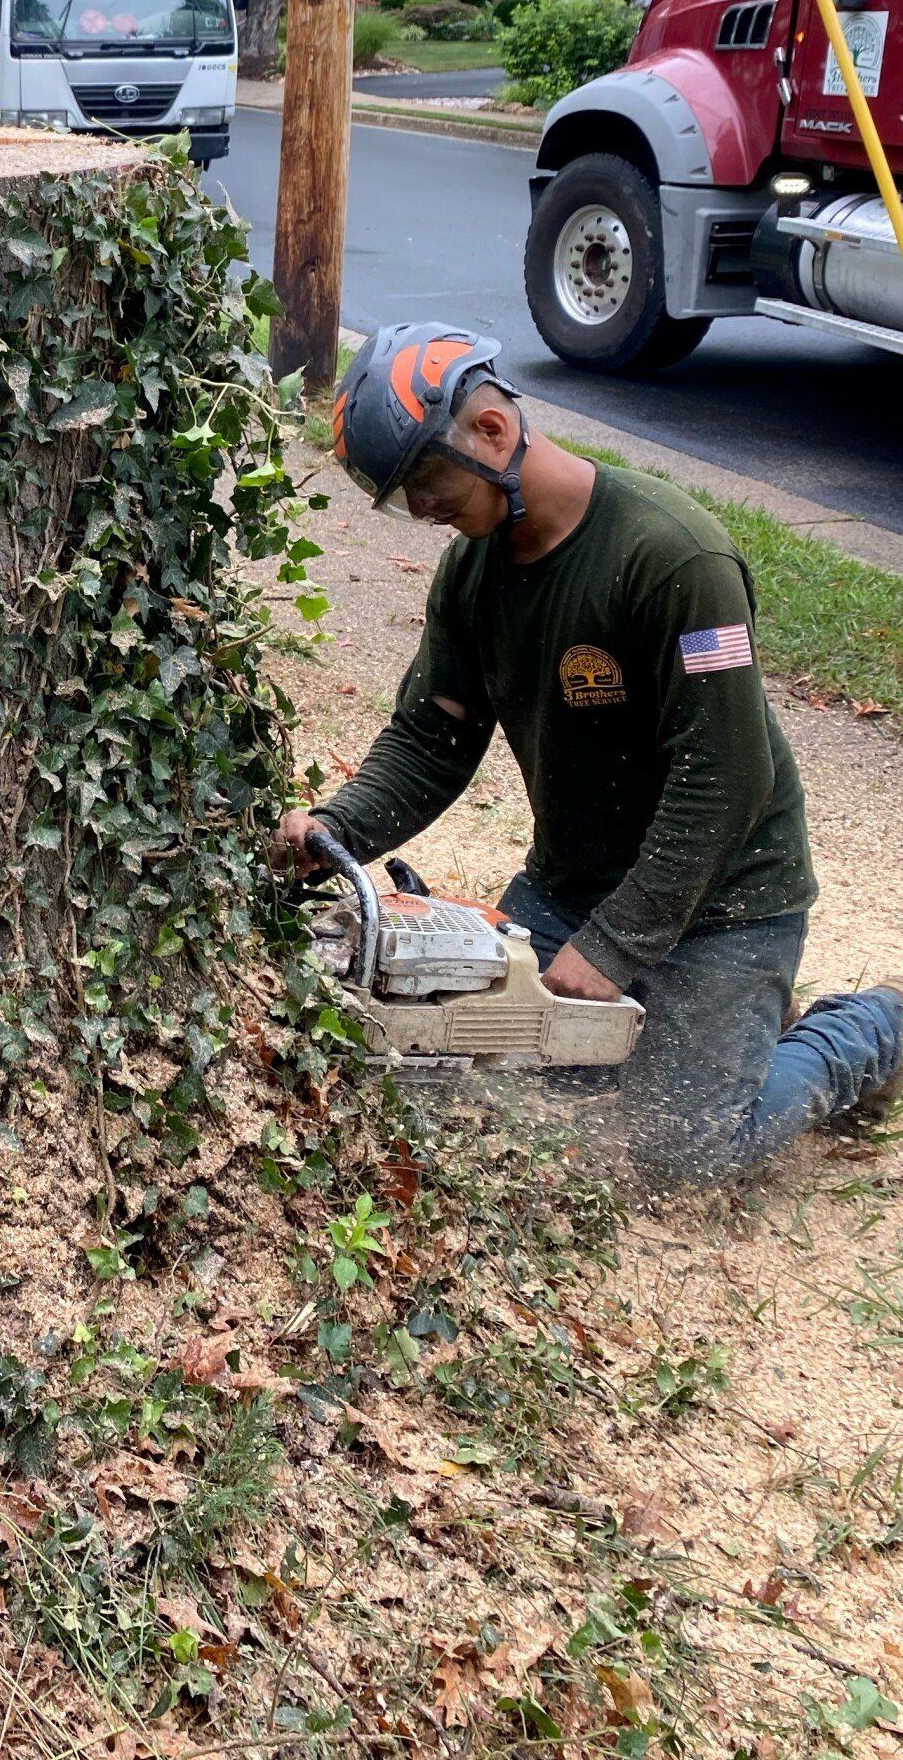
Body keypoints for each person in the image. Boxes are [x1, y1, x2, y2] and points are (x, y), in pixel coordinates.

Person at [275, 320, 903, 1186]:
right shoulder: (472, 572)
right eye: (401, 496)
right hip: (571, 884)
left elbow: (727, 780)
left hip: (726, 900)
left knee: (674, 1156)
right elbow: (433, 737)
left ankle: (864, 1029)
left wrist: (616, 946)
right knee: (463, 1089)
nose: (421, 512)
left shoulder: (676, 557)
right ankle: (711, 1018)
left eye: (424, 479)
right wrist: (334, 829)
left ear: (490, 432)